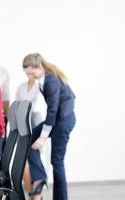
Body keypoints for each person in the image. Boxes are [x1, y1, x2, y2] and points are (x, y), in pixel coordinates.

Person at [23, 53, 76, 200]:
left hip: (63, 121)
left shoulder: (51, 79)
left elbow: (53, 109)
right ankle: (39, 178)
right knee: (28, 139)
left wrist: (43, 137)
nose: (30, 76)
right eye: (27, 74)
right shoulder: (46, 78)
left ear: (39, 67)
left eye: (32, 73)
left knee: (56, 161)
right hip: (57, 119)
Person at [15, 68, 46, 200]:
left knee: (36, 155)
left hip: (35, 121)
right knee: (24, 159)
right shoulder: (21, 87)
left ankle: (37, 193)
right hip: (22, 122)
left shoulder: (41, 86)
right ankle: (31, 193)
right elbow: (16, 105)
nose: (29, 74)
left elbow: (39, 107)